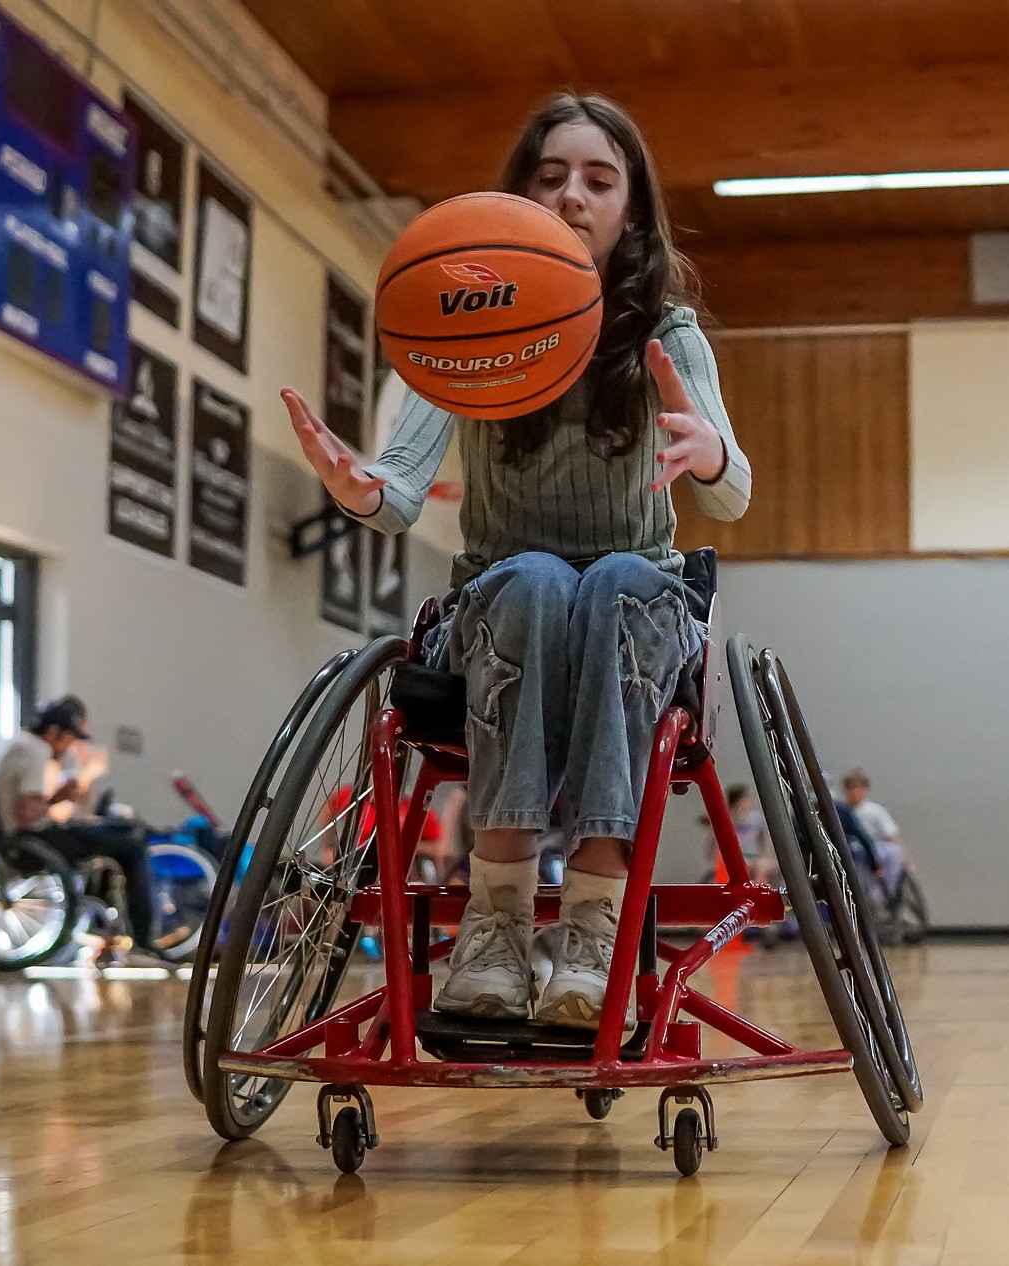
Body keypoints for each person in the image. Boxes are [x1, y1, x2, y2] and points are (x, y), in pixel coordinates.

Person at [283, 93, 750, 1027]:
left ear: (631, 206)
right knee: (538, 578)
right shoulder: (466, 321)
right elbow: (401, 487)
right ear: (522, 199)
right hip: (503, 603)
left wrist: (708, 454)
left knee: (616, 579)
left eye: (598, 179)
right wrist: (355, 485)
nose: (573, 195)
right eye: (550, 178)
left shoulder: (668, 329)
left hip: (635, 601)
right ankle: (496, 926)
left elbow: (730, 494)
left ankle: (590, 927)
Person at [0, 696, 160, 954]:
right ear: (53, 732)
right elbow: (27, 811)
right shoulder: (36, 750)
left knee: (111, 830)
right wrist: (58, 798)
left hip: (19, 841)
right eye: (68, 739)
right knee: (131, 843)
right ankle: (144, 939)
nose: (68, 747)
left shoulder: (2, 743)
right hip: (37, 840)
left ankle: (110, 930)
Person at [842, 768, 905, 899]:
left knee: (893, 852)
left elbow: (891, 835)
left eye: (859, 788)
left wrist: (905, 859)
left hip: (875, 847)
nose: (855, 792)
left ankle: (886, 891)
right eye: (852, 788)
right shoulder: (841, 810)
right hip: (850, 848)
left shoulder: (875, 811)